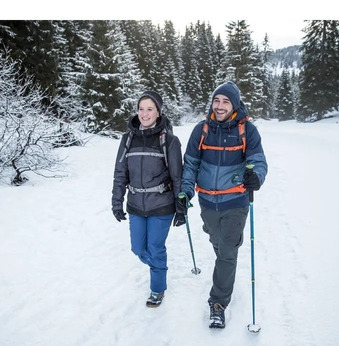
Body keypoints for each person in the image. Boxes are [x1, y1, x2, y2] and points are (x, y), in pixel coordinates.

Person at [180, 81, 268, 328]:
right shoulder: (201, 130)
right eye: (216, 101)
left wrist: (256, 176)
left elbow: (258, 161)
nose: (219, 106)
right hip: (208, 202)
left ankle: (218, 303)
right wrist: (186, 191)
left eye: (225, 102)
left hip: (235, 201)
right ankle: (225, 269)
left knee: (228, 251)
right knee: (217, 242)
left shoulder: (247, 131)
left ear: (235, 104)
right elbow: (190, 165)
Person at [112, 91, 186, 308]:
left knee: (155, 248)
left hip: (161, 205)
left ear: (158, 111)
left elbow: (177, 176)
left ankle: (157, 288)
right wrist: (117, 202)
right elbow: (120, 173)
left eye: (150, 109)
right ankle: (158, 267)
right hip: (135, 204)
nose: (144, 114)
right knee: (138, 249)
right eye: (141, 109)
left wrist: (181, 207)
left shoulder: (169, 141)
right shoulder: (127, 140)